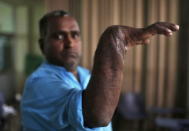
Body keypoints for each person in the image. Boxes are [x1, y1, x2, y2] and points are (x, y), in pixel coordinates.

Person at [20, 10, 179, 131]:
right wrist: (115, 38)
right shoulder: (39, 82)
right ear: (42, 45)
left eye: (75, 35)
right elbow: (96, 116)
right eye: (59, 36)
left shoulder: (84, 74)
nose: (70, 43)